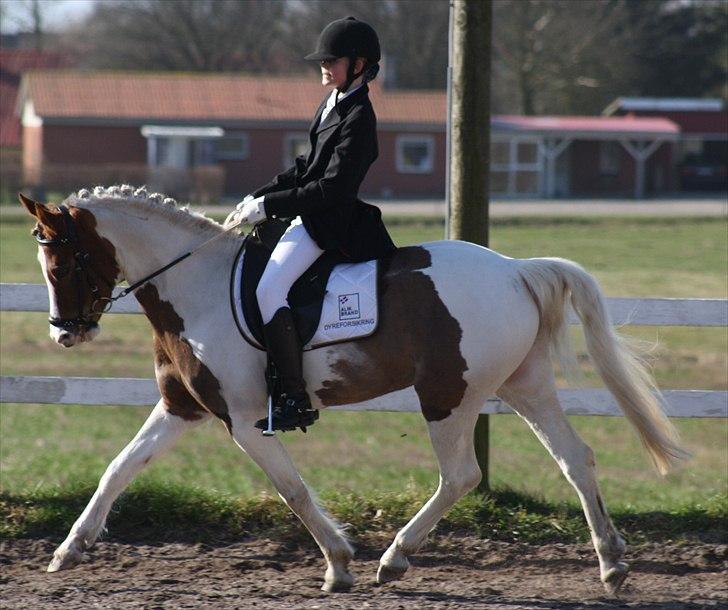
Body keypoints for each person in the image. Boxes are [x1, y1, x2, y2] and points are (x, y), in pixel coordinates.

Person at [227, 16, 396, 432]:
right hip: (309, 211)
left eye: (331, 59)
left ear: (359, 65)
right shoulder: (332, 103)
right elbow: (306, 166)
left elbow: (332, 189)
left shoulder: (360, 118)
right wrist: (259, 195)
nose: (323, 65)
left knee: (270, 290)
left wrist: (271, 207)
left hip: (330, 223)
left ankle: (292, 397)